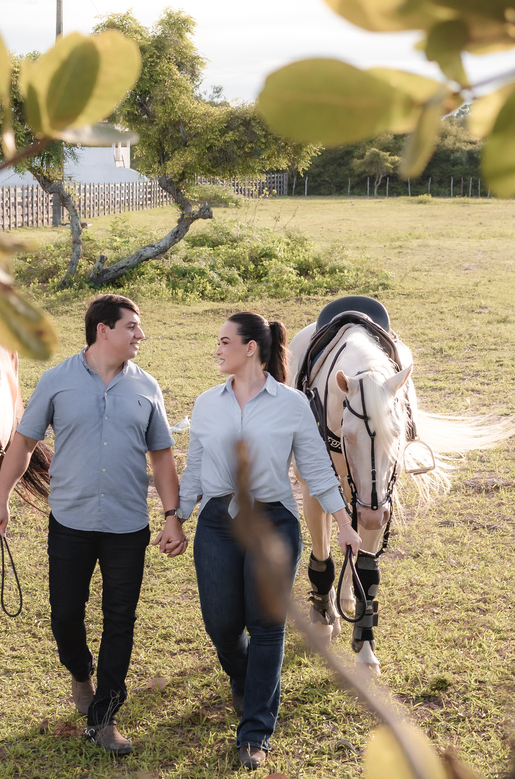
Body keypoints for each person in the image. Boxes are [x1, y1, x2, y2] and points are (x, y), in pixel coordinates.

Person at [0, 294, 185, 756]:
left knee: (120, 619)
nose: (141, 335)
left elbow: (162, 458)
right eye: (132, 326)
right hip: (70, 522)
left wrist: (172, 516)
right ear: (103, 330)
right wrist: (0, 500)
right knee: (64, 617)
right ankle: (81, 674)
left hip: (127, 525)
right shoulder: (57, 381)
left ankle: (106, 714)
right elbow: (22, 445)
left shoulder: (147, 387)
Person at [174, 312, 360, 771]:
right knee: (220, 624)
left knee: (267, 626)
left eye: (224, 341)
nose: (216, 349)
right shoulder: (206, 403)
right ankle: (246, 677)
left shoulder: (293, 404)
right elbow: (194, 467)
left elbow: (317, 470)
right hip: (218, 520)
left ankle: (255, 732)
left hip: (274, 521)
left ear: (250, 348)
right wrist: (176, 518)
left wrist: (346, 523)